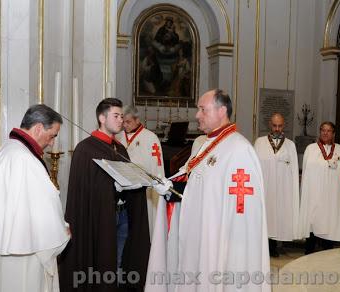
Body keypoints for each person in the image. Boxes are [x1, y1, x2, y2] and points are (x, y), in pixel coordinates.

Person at [146, 89, 271, 292]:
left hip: (219, 241)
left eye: (203, 109)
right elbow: (197, 186)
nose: (197, 115)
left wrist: (233, 252)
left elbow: (242, 210)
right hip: (200, 235)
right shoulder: (206, 144)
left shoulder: (239, 149)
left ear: (222, 111)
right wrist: (170, 188)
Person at [0, 104, 70, 292]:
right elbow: (45, 205)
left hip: (6, 244)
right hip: (26, 251)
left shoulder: (8, 149)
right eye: (52, 135)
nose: (52, 143)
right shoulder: (25, 159)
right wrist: (62, 230)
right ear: (38, 128)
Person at [59, 98, 150, 292]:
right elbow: (84, 190)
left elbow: (128, 177)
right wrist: (110, 187)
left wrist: (138, 181)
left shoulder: (120, 148)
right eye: (116, 116)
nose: (120, 121)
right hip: (99, 219)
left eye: (122, 116)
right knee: (103, 260)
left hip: (122, 214)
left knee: (118, 262)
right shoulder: (85, 149)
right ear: (102, 118)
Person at [299, 121, 340, 254]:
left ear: (333, 134)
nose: (325, 133)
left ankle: (328, 251)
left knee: (330, 220)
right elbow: (307, 170)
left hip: (332, 195)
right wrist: (326, 165)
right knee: (313, 221)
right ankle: (309, 250)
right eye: (323, 130)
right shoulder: (311, 149)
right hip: (315, 193)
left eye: (328, 131)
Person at [254, 113, 299, 257]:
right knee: (266, 215)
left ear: (284, 125)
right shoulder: (259, 143)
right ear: (269, 124)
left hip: (282, 189)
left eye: (280, 126)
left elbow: (294, 169)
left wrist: (293, 191)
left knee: (279, 215)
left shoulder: (290, 145)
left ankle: (276, 246)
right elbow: (254, 167)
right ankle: (264, 246)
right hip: (265, 188)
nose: (277, 129)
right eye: (274, 125)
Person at [117, 106, 165, 240]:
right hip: (123, 191)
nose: (125, 125)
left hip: (143, 191)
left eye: (128, 122)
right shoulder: (119, 136)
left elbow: (156, 167)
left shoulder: (150, 137)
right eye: (123, 122)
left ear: (137, 120)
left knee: (141, 229)